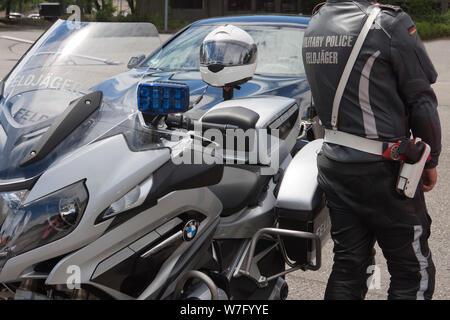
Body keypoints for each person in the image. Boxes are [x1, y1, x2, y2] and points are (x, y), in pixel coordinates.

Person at [302, 0, 441, 300]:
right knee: (413, 271)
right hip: (383, 169)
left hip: (334, 161)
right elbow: (421, 99)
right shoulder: (389, 23)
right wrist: (430, 160)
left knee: (350, 265)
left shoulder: (317, 21)